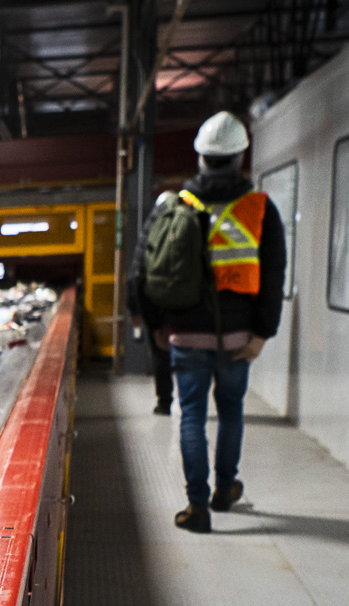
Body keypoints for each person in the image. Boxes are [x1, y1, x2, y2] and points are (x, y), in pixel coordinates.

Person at [129, 111, 287, 533]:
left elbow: (142, 270)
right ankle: (224, 489)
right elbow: (274, 276)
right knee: (231, 411)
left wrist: (158, 325)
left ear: (201, 158)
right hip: (238, 335)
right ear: (240, 157)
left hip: (186, 334)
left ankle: (197, 507)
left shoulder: (175, 205)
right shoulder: (259, 208)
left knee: (192, 416)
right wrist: (262, 333)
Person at [128, 190, 180, 415]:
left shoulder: (152, 226)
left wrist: (135, 309)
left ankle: (165, 402)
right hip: (184, 301)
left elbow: (135, 274)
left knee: (160, 351)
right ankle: (192, 403)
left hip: (156, 301)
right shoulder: (187, 220)